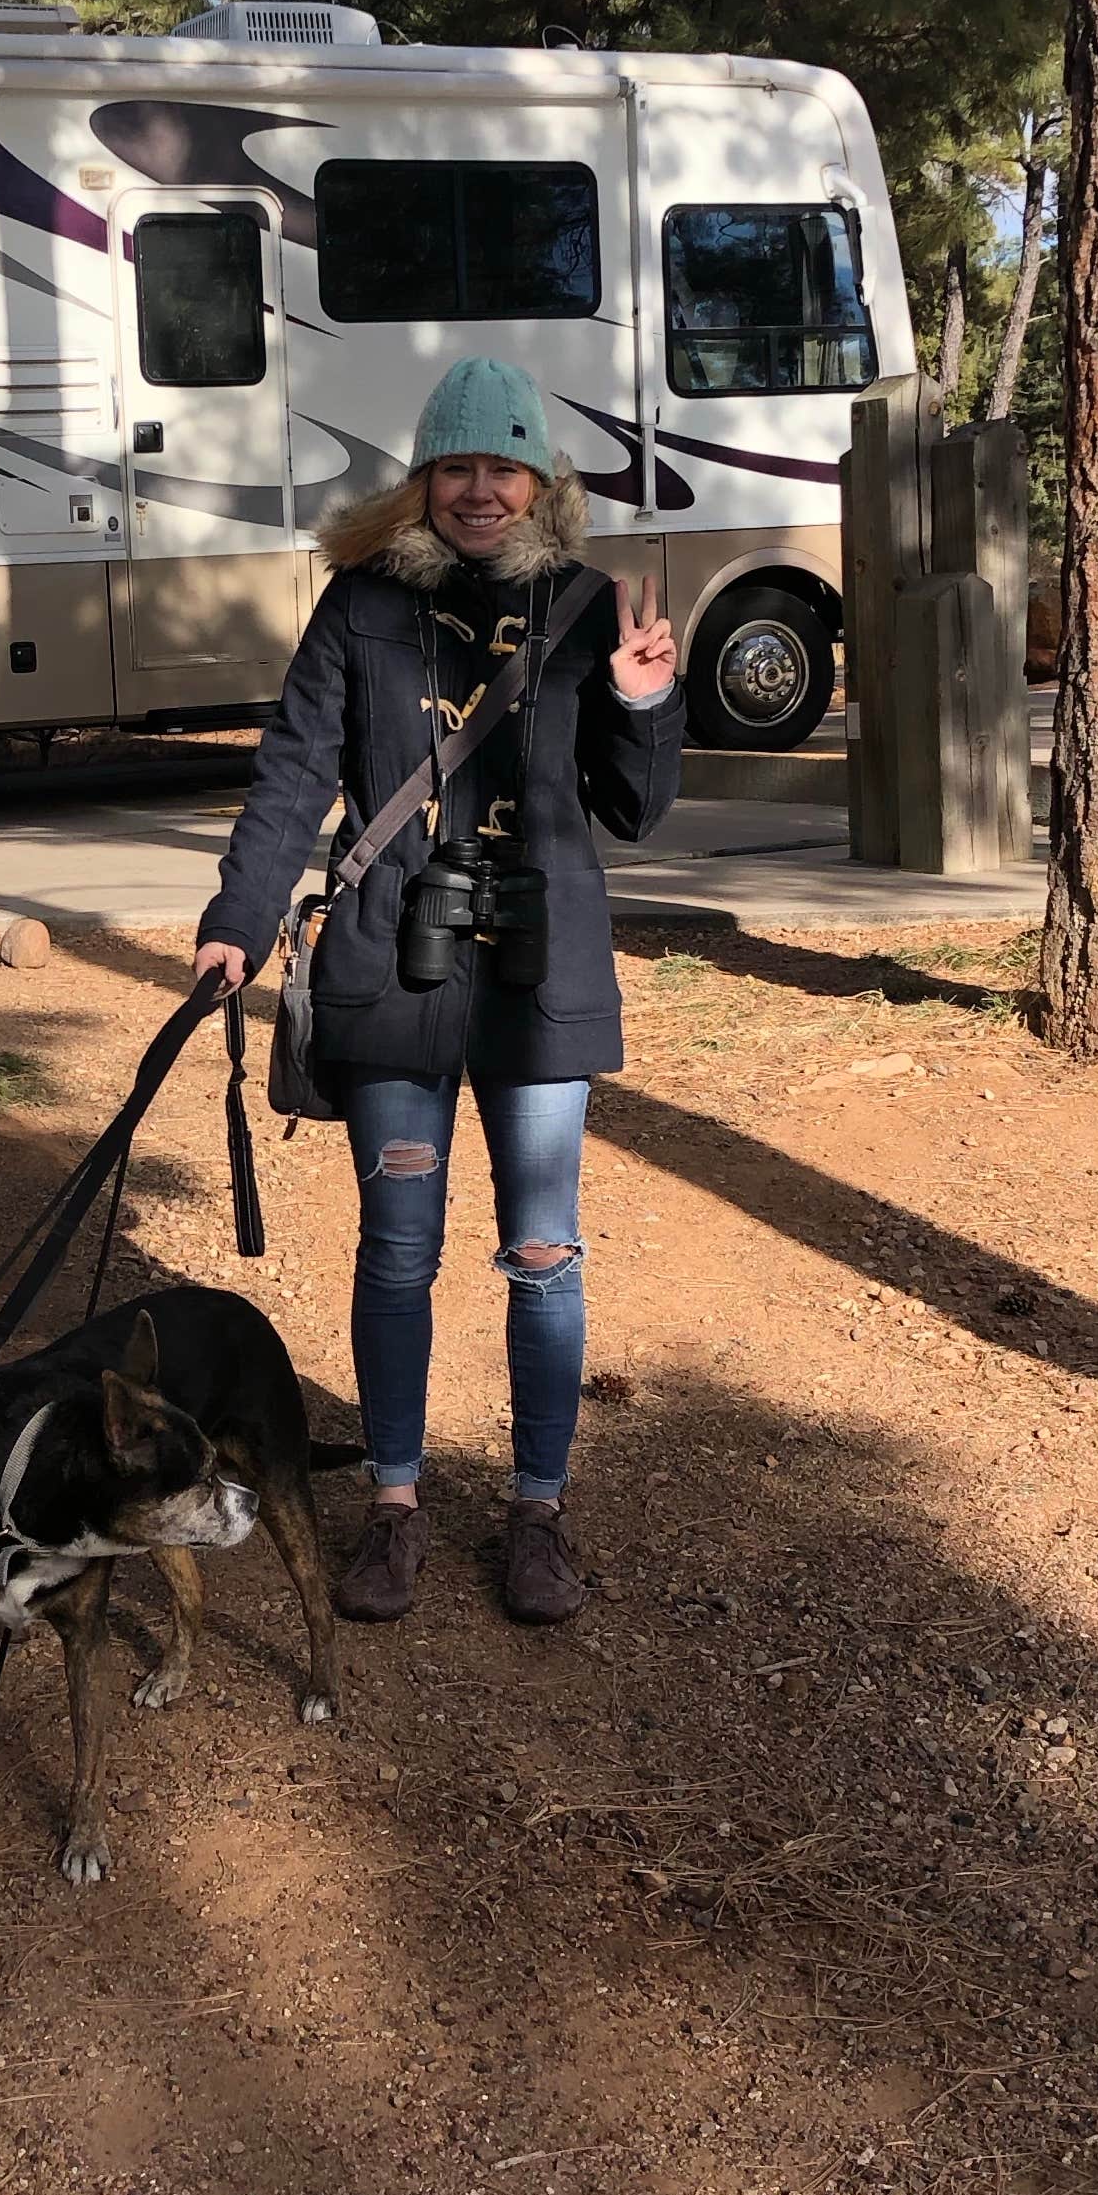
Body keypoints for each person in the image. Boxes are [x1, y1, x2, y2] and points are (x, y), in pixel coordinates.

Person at [196, 356, 685, 1626]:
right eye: (456, 466)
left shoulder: (588, 607)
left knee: (542, 1250)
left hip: (542, 968)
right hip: (389, 959)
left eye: (502, 466)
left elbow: (636, 811)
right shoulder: (358, 607)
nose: (480, 490)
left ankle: (537, 1512)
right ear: (425, 480)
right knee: (399, 1251)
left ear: (541, 479)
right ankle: (398, 1508)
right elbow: (293, 778)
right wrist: (236, 924)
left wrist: (643, 700)